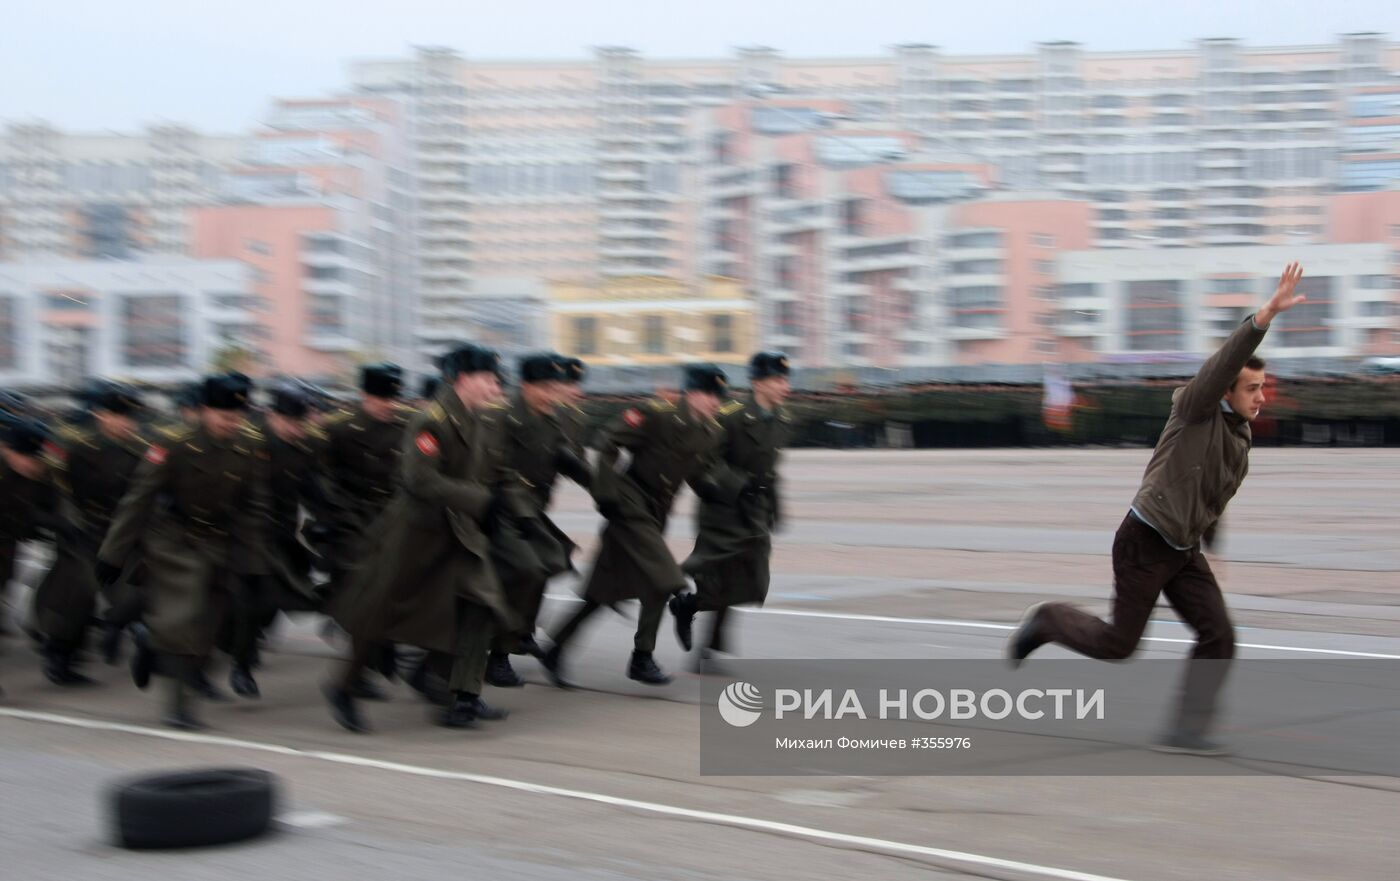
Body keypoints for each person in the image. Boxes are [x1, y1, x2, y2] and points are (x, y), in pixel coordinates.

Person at [1007, 262, 1308, 756]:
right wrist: (1264, 316)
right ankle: (1047, 620)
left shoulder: (1239, 436)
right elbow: (1220, 366)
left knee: (1219, 635)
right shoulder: (1195, 409)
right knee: (1119, 646)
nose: (1262, 396)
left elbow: (1213, 495)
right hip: (1145, 541)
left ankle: (1187, 729)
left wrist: (1214, 547)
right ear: (1227, 391)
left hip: (1183, 549)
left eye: (1263, 387)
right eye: (1252, 388)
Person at [325, 343, 534, 732]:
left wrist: (514, 510)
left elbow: (492, 473)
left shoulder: (478, 419)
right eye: (487, 378)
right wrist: (482, 501)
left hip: (458, 535)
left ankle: (456, 695)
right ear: (461, 379)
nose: (494, 386)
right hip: (414, 535)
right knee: (380, 615)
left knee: (479, 606)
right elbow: (420, 479)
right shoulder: (431, 420)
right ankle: (344, 686)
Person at [96, 373, 270, 730]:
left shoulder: (249, 445)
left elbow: (253, 507)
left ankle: (151, 641)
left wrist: (253, 562)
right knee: (185, 618)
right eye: (223, 415)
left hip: (218, 542)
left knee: (211, 625)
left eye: (237, 416)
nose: (230, 423)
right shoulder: (173, 443)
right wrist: (112, 555)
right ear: (204, 410)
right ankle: (178, 708)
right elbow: (137, 501)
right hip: (173, 540)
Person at [542, 363, 729, 689]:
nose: (716, 402)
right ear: (693, 392)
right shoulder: (657, 413)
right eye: (711, 394)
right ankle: (645, 653)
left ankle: (555, 647)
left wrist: (712, 489)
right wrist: (606, 494)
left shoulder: (710, 431)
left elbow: (695, 471)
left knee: (602, 592)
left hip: (655, 513)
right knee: (664, 575)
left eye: (720, 396)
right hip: (629, 505)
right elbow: (607, 444)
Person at [674, 352, 793, 668]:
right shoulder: (731, 415)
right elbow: (702, 460)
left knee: (747, 579)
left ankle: (699, 630)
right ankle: (680, 603)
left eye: (785, 379)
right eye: (777, 380)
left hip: (754, 509)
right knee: (716, 574)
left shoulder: (782, 418)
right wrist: (736, 485)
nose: (785, 386)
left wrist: (775, 506)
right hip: (722, 508)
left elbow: (770, 469)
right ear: (757, 383)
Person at [485, 353, 591, 687]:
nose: (553, 395)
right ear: (526, 386)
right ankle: (497, 655)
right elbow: (499, 472)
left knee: (546, 563)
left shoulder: (550, 417)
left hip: (530, 509)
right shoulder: (502, 417)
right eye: (545, 388)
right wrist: (524, 513)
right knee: (522, 572)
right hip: (499, 510)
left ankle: (518, 633)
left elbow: (566, 458)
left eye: (555, 387)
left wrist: (606, 489)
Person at [32, 381, 148, 684]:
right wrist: (61, 520)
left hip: (119, 535)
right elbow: (52, 484)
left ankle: (116, 630)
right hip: (79, 532)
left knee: (134, 594)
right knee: (77, 594)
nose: (126, 423)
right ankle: (58, 655)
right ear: (101, 415)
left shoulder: (140, 450)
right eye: (119, 415)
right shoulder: (74, 444)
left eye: (130, 417)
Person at [314, 363, 411, 696]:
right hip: (350, 522)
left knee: (386, 595)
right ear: (364, 396)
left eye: (394, 397)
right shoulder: (339, 429)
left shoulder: (406, 425)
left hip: (391, 519)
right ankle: (359, 673)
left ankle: (366, 663)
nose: (389, 405)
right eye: (382, 398)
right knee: (368, 594)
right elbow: (318, 476)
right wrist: (331, 513)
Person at [0, 417, 61, 690]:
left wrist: (53, 523)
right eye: (25, 457)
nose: (31, 465)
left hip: (7, 546)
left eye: (36, 458)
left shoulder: (40, 472)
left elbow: (50, 506)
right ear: (8, 450)